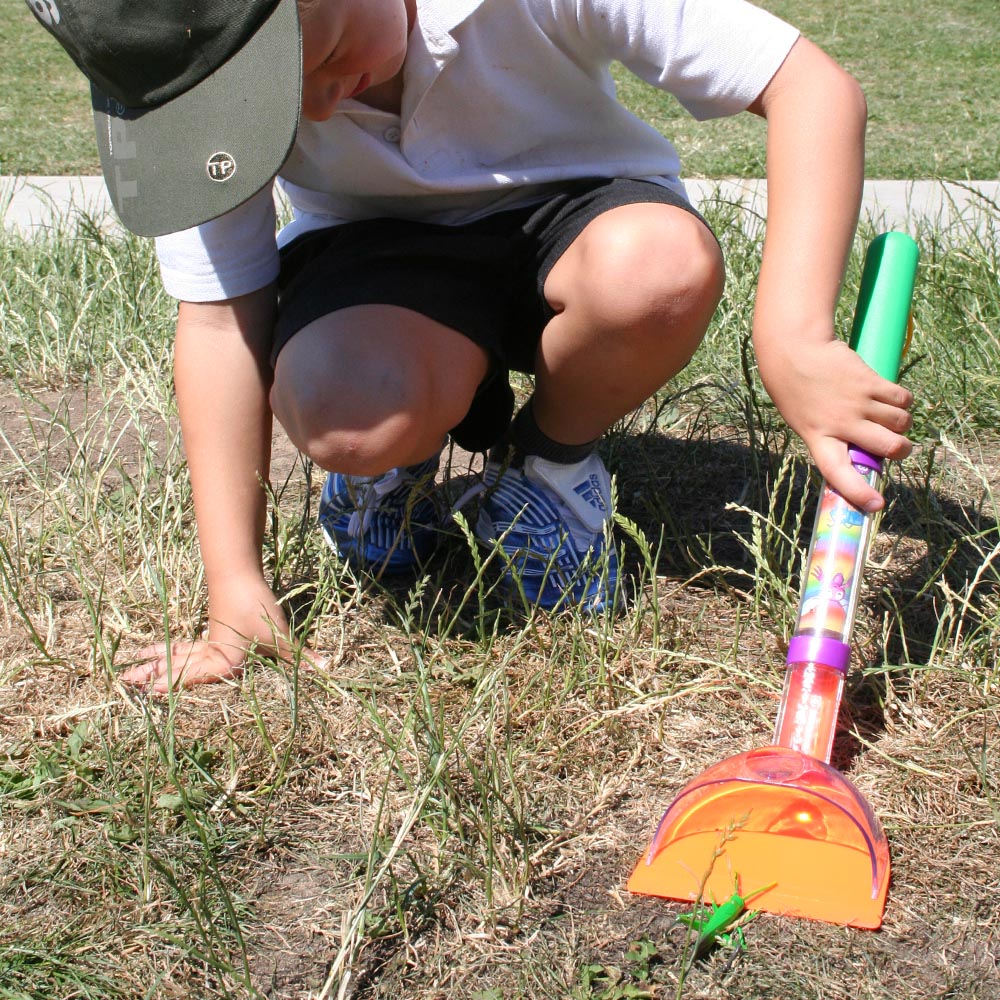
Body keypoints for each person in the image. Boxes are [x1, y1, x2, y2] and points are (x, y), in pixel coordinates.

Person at [29, 0, 913, 692]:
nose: (322, 106)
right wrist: (234, 591)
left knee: (659, 271)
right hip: (378, 257)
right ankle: (382, 472)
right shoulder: (193, 76)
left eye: (326, 55)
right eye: (271, 109)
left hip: (584, 221)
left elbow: (811, 86)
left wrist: (793, 335)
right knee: (350, 410)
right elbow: (222, 320)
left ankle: (549, 472)